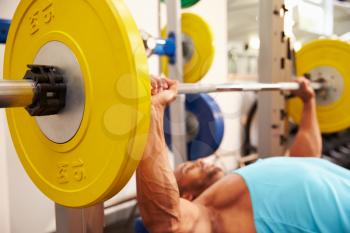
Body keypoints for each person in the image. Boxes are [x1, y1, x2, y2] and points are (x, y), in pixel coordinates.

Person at [136, 77, 350, 233]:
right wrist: (153, 112)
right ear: (185, 197)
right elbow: (166, 222)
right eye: (188, 168)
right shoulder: (213, 215)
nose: (199, 161)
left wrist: (308, 102)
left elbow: (306, 159)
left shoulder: (239, 184)